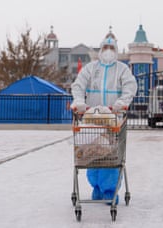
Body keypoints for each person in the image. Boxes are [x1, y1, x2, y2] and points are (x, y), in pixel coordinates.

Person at [71, 34, 137, 204]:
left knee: (111, 155)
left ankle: (109, 190)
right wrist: (79, 102)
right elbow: (78, 85)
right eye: (105, 48)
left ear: (116, 50)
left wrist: (120, 104)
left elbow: (130, 87)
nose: (108, 51)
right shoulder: (91, 68)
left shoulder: (122, 69)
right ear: (100, 50)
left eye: (112, 48)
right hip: (92, 119)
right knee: (92, 153)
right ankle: (97, 186)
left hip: (113, 120)